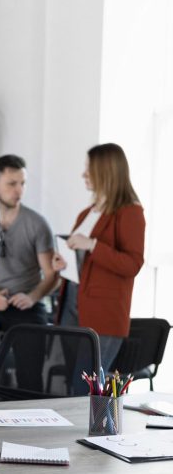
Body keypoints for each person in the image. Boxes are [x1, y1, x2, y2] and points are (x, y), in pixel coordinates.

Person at [53, 143, 145, 387]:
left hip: (103, 314)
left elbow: (132, 264)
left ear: (106, 171)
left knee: (83, 389)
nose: (84, 174)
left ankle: (93, 427)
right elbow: (83, 261)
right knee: (72, 387)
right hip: (72, 307)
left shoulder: (130, 212)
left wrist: (93, 244)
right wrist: (64, 262)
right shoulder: (86, 213)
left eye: (89, 169)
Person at [0, 154, 58, 391]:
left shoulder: (37, 224)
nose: (19, 190)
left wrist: (32, 297)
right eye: (12, 184)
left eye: (22, 183)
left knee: (30, 373)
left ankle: (31, 407)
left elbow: (51, 275)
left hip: (24, 303)